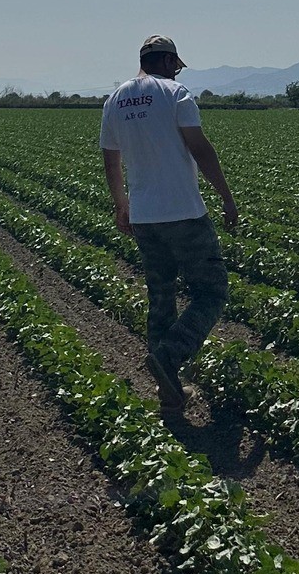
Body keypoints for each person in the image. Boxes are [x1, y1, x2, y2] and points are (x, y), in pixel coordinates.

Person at [100, 34, 239, 415]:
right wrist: (226, 196)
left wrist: (121, 205)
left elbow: (111, 159)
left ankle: (168, 391)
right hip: (184, 213)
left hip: (144, 216)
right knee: (212, 292)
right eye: (175, 66)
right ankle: (171, 355)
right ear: (166, 62)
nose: (177, 72)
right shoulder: (175, 94)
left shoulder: (115, 100)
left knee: (160, 297)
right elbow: (199, 147)